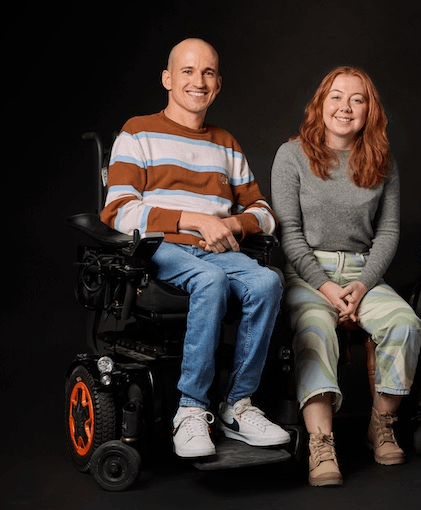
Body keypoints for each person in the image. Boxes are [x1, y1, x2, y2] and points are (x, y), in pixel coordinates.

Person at [100, 38, 290, 458]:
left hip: (219, 248)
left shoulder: (226, 143)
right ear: (168, 79)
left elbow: (263, 212)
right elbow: (118, 210)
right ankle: (190, 411)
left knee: (267, 282)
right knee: (212, 278)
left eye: (207, 73)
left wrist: (232, 223)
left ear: (218, 84)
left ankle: (238, 406)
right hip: (161, 250)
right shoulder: (138, 132)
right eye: (187, 71)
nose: (198, 81)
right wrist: (191, 220)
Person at [270, 66, 421, 487]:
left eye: (357, 99)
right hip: (308, 273)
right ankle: (322, 444)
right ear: (320, 103)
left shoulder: (382, 159)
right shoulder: (292, 155)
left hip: (362, 271)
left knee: (405, 323)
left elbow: (389, 232)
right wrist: (325, 285)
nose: (345, 107)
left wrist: (361, 285)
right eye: (336, 96)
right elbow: (289, 233)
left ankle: (381, 425)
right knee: (315, 329)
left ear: (369, 110)